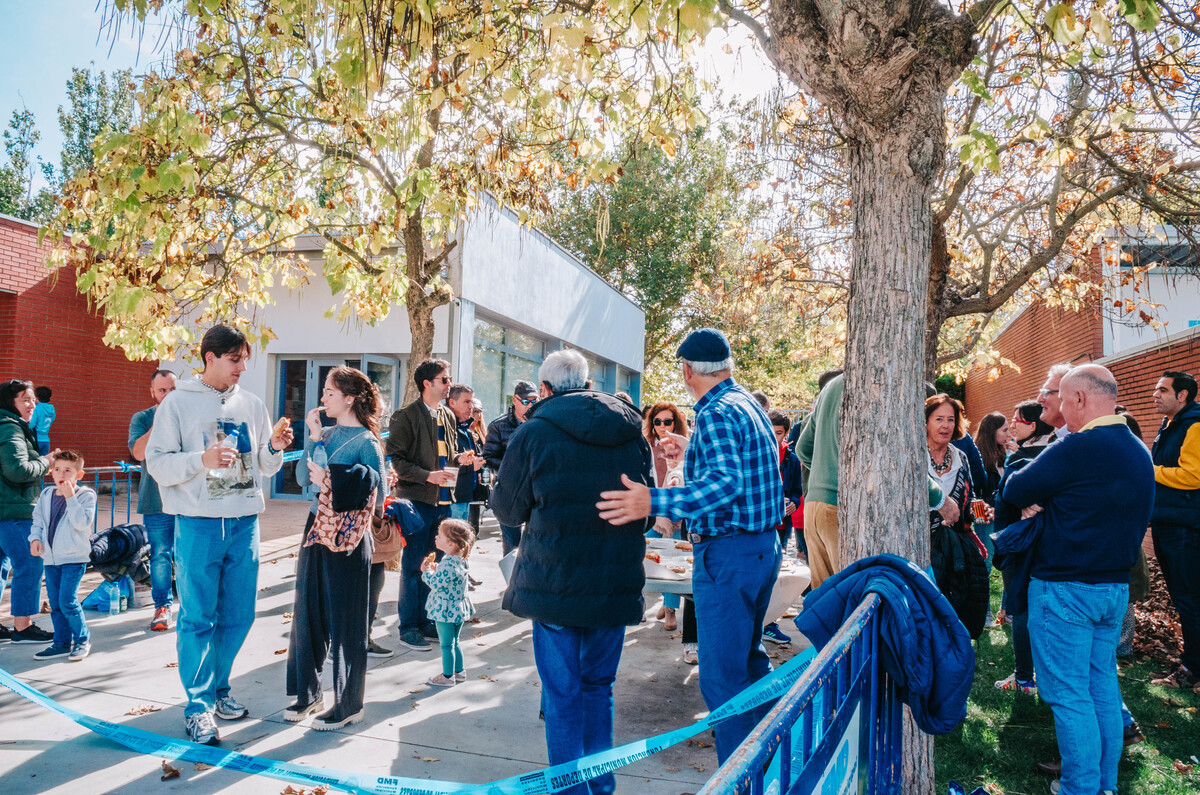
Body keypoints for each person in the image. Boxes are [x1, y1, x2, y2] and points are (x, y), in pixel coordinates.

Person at [597, 328, 784, 764]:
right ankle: (773, 759)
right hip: (758, 549)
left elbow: (724, 485)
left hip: (729, 555)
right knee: (750, 664)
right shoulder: (745, 405)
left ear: (686, 370)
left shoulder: (717, 413)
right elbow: (744, 471)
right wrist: (692, 446)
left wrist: (652, 499)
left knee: (721, 679)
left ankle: (741, 778)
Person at [494, 350, 651, 795]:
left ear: (543, 390)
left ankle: (567, 790)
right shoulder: (629, 430)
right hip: (613, 580)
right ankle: (600, 786)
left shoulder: (534, 432)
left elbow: (507, 508)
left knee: (562, 697)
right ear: (585, 384)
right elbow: (645, 502)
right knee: (598, 688)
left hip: (555, 581)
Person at [1002, 365, 1153, 795]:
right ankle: (1103, 784)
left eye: (1065, 402)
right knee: (1101, 686)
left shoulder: (1078, 447)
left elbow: (1014, 488)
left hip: (1066, 588)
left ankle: (1080, 788)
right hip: (1114, 589)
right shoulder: (1139, 449)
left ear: (1082, 399)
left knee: (1070, 696)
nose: (1063, 412)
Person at [146, 324, 293, 746]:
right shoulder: (176, 404)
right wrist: (201, 459)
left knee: (239, 615)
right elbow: (158, 463)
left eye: (245, 359)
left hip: (245, 521)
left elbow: (263, 467)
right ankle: (198, 706)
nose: (243, 367)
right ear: (210, 357)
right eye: (235, 359)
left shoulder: (251, 403)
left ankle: (217, 688)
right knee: (196, 618)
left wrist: (276, 447)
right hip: (197, 523)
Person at [286, 366, 385, 730]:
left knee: (347, 620)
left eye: (329, 391)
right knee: (307, 610)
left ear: (349, 398)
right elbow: (300, 480)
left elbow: (378, 498)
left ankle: (348, 702)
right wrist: (313, 438)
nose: (323, 397)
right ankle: (308, 693)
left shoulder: (367, 443)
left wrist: (333, 481)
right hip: (316, 527)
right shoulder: (323, 431)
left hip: (348, 535)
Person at [386, 358, 461, 652]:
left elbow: (450, 457)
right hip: (416, 502)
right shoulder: (405, 416)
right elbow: (396, 461)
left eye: (449, 379)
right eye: (444, 380)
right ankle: (408, 627)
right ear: (426, 384)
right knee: (414, 565)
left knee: (435, 566)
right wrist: (427, 476)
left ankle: (427, 619)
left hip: (444, 503)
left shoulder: (449, 416)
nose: (448, 385)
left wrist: (463, 461)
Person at [992, 400, 1055, 694]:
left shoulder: (1024, 460)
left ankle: (1024, 677)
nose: (1013, 425)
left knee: (1022, 607)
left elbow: (1009, 497)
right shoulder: (1053, 454)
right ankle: (1044, 676)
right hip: (1048, 545)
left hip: (1022, 545)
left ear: (1034, 425)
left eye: (1018, 420)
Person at [1148, 369, 1200, 689]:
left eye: (1162, 390)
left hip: (1184, 527)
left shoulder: (1194, 425)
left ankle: (1191, 670)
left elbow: (1194, 475)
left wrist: (1150, 470)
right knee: (1187, 600)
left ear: (1182, 395)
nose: (1155, 394)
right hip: (1169, 523)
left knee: (1189, 600)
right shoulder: (1171, 425)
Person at [926, 394, 989, 639]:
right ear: (925, 423)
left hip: (955, 549)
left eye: (951, 419)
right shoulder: (913, 455)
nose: (946, 425)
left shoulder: (960, 457)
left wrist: (983, 514)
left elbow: (971, 497)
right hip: (924, 548)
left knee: (955, 607)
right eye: (938, 419)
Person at [28, 450, 97, 661]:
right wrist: (35, 539)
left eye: (68, 470)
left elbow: (82, 524)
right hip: (51, 559)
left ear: (79, 475)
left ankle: (82, 640)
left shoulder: (86, 495)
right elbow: (38, 521)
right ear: (51, 471)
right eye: (57, 469)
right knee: (56, 603)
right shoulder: (47, 495)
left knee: (67, 601)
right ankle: (61, 643)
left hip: (74, 559)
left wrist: (71, 498)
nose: (62, 474)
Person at [0, 379, 55, 645]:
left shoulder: (9, 426)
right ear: (10, 402)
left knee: (3, 567)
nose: (31, 404)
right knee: (31, 563)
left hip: (7, 509)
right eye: (24, 399)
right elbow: (17, 470)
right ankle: (22, 628)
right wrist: (46, 461)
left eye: (32, 398)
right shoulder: (10, 428)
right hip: (15, 512)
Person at [129, 369, 179, 632]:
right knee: (161, 555)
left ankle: (194, 606)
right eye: (162, 391)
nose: (168, 395)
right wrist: (158, 422)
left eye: (172, 389)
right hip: (155, 500)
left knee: (189, 555)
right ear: (152, 393)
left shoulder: (187, 416)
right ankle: (162, 606)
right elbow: (138, 453)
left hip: (187, 500)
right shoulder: (143, 418)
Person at [644, 400, 687, 632]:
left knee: (673, 562)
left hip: (676, 511)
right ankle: (665, 600)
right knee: (647, 555)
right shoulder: (646, 446)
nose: (662, 425)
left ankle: (670, 609)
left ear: (675, 422)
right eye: (657, 421)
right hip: (652, 511)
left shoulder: (684, 446)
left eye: (667, 421)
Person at [482, 379, 538, 555]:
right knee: (512, 546)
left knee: (534, 544)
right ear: (514, 400)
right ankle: (511, 582)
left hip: (536, 492)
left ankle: (530, 582)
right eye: (525, 401)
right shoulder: (498, 426)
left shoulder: (540, 423)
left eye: (534, 401)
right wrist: (513, 467)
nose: (530, 405)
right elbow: (488, 457)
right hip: (508, 493)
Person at [763, 409, 804, 646]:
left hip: (781, 526)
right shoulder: (756, 454)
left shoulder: (792, 459)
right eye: (770, 432)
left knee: (774, 574)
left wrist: (793, 503)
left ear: (787, 433)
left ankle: (768, 624)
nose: (774, 437)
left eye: (778, 433)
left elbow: (798, 493)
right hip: (759, 524)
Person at [798, 372, 842, 588]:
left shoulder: (829, 390)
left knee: (824, 593)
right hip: (837, 504)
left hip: (814, 504)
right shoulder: (859, 384)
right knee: (847, 591)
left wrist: (821, 472)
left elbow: (802, 448)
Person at [420, 518, 476, 687]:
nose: (436, 537)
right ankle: (459, 672)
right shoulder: (458, 559)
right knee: (455, 642)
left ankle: (447, 676)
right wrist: (438, 569)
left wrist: (426, 572)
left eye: (439, 535)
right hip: (457, 609)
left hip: (445, 610)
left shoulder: (449, 563)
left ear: (451, 544)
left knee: (445, 645)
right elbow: (449, 579)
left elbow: (436, 584)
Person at [446, 384, 484, 524]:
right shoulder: (446, 429)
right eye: (466, 402)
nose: (471, 407)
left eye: (472, 402)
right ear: (452, 402)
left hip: (466, 499)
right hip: (452, 500)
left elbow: (471, 461)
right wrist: (471, 468)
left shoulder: (467, 430)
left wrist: (478, 471)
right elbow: (443, 464)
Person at [1038, 362, 1073, 440]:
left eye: (1047, 392)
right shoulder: (1056, 437)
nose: (1039, 399)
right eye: (1041, 392)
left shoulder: (1087, 441)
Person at [30, 386, 55, 456]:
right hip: (46, 440)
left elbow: (31, 424)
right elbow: (52, 419)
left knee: (34, 462)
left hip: (36, 439)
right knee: (43, 461)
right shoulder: (51, 408)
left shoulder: (37, 408)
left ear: (37, 398)